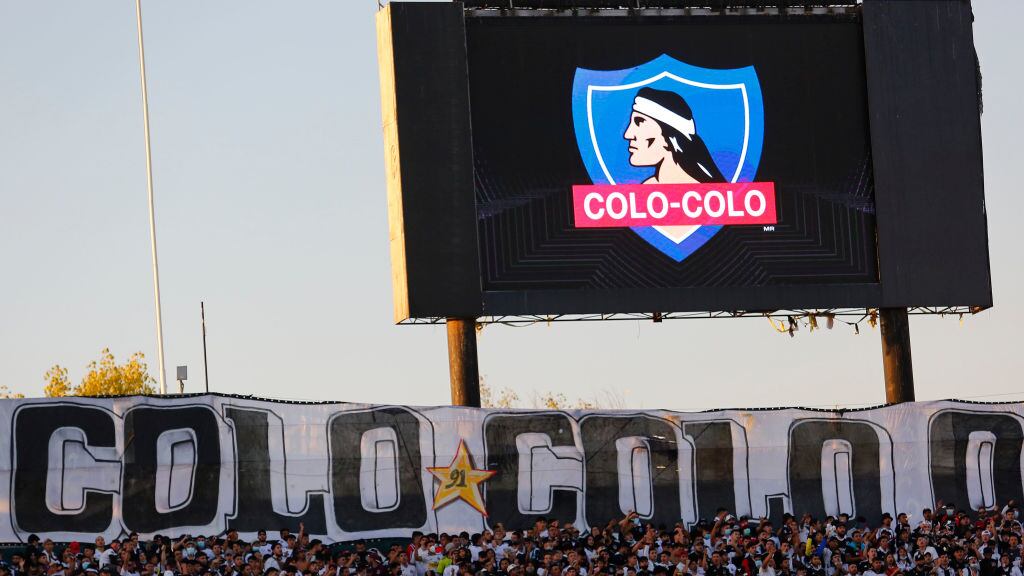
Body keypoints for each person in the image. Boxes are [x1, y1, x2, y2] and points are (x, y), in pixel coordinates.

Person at [622, 86, 726, 243]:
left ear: (669, 137)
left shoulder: (713, 196)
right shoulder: (644, 190)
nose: (627, 134)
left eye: (639, 122)